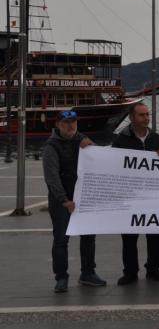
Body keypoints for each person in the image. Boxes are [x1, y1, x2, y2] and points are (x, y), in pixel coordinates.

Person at [43, 110, 103, 293]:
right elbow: (52, 177)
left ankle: (88, 273)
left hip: (84, 198)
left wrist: (93, 147)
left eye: (73, 122)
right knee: (61, 239)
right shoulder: (51, 147)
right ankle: (61, 277)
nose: (70, 125)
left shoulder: (84, 141)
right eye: (66, 122)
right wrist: (65, 200)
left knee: (88, 237)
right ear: (58, 124)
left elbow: (100, 162)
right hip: (61, 200)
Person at [112, 102, 159, 285]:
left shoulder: (156, 138)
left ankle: (154, 269)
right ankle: (130, 271)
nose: (146, 118)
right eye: (142, 115)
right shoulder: (121, 140)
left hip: (153, 196)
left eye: (147, 114)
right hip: (130, 196)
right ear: (132, 118)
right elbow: (111, 165)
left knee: (154, 234)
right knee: (129, 236)